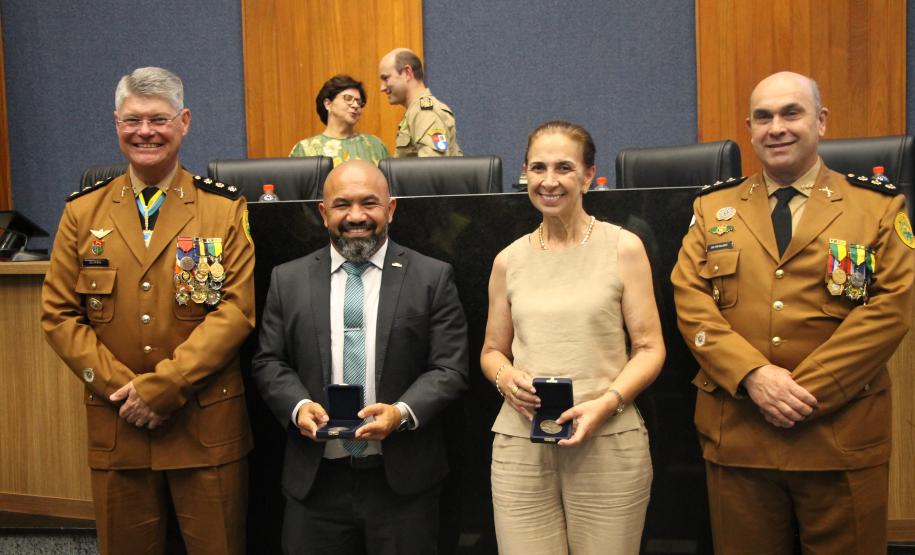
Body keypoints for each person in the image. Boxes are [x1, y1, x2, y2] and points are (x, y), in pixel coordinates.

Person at [671, 71, 914, 553]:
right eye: (763, 117)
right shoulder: (713, 207)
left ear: (821, 122)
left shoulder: (876, 207)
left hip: (839, 435)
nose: (776, 127)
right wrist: (755, 376)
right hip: (740, 431)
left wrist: (804, 390)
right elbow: (690, 299)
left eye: (791, 113)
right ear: (750, 127)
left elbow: (891, 307)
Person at [41, 67, 255, 554]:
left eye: (158, 119)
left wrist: (163, 389)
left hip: (203, 427)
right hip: (119, 426)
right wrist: (126, 393)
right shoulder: (82, 213)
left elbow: (235, 312)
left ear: (184, 122)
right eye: (132, 120)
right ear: (116, 124)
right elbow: (58, 314)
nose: (145, 132)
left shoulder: (223, 209)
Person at [252, 160, 469, 554]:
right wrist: (298, 406)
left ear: (391, 208)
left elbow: (449, 368)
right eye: (342, 204)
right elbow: (269, 361)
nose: (356, 216)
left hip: (402, 484)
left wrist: (401, 413)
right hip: (315, 483)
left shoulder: (432, 277)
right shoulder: (288, 279)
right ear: (323, 213)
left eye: (369, 203)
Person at [480, 121, 665, 554]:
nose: (549, 181)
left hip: (607, 440)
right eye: (538, 168)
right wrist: (506, 379)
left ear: (587, 175)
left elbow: (650, 348)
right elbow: (492, 351)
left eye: (564, 167)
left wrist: (606, 404)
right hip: (521, 445)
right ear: (525, 173)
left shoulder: (624, 247)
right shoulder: (508, 260)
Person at [378, 48, 463, 157]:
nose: (382, 88)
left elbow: (432, 169)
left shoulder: (425, 113)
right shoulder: (416, 112)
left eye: (386, 78)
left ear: (407, 73)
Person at [289, 74, 389, 166]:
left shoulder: (375, 145)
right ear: (328, 104)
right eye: (348, 98)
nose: (355, 105)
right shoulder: (305, 149)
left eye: (359, 102)